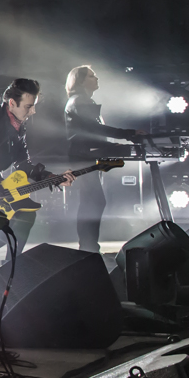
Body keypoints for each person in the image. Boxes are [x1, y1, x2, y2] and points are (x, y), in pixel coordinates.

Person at [0, 78, 73, 259]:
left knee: (26, 216)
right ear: (12, 103)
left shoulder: (19, 127)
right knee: (5, 222)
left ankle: (10, 265)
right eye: (28, 106)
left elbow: (23, 164)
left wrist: (50, 176)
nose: (33, 111)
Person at [64, 65, 141, 254]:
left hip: (86, 156)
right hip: (84, 158)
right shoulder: (80, 101)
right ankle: (89, 247)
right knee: (94, 201)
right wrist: (127, 134)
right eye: (92, 76)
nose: (96, 78)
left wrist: (110, 146)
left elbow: (91, 133)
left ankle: (89, 247)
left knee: (92, 201)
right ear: (80, 81)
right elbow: (94, 130)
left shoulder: (82, 101)